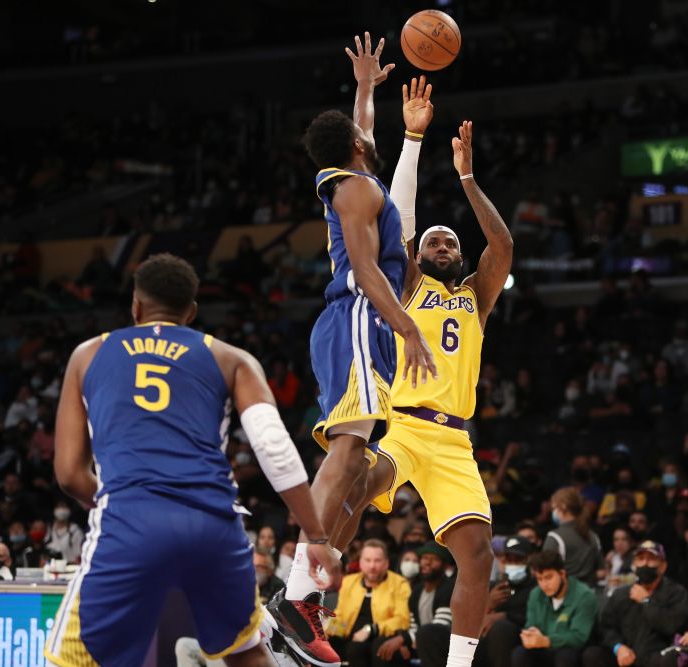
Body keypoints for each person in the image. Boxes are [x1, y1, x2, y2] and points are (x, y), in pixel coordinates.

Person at [275, 74, 513, 667]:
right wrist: (410, 136)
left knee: (479, 554)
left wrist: (467, 178)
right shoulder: (405, 283)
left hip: (454, 439)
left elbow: (502, 246)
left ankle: (459, 664)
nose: (438, 244)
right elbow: (391, 212)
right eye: (429, 240)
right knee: (354, 479)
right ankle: (306, 600)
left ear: (457, 255)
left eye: (447, 241)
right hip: (404, 425)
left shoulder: (475, 297)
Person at [43, 253, 339, 667]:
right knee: (245, 651)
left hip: (129, 521)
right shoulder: (230, 358)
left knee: (72, 658)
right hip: (213, 526)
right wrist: (317, 538)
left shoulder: (89, 354)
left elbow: (70, 476)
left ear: (136, 305)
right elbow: (275, 450)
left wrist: (133, 507)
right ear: (192, 312)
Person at [271, 32, 436, 665]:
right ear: (360, 147)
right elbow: (369, 272)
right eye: (366, 132)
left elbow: (360, 136)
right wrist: (408, 327)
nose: (372, 135)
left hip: (352, 322)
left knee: (357, 451)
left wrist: (366, 90)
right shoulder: (359, 189)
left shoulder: (347, 178)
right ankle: (294, 592)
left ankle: (301, 597)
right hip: (365, 316)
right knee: (348, 443)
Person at [582, 540, 688, 667]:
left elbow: (672, 625)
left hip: (658, 657)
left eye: (651, 559)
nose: (645, 564)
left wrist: (646, 601)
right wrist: (618, 647)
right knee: (593, 654)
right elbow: (605, 627)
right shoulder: (621, 594)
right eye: (641, 559)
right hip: (625, 656)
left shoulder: (676, 593)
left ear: (663, 566)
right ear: (634, 564)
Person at [324, 540, 411, 667]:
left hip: (381, 638)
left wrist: (371, 629)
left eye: (377, 560)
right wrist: (328, 628)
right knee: (325, 644)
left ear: (386, 563)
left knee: (362, 649)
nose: (372, 566)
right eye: (368, 560)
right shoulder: (348, 582)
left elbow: (402, 620)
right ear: (360, 562)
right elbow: (342, 618)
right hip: (350, 638)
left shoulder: (400, 584)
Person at [513, 551, 598, 667]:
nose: (544, 584)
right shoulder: (536, 593)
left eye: (548, 577)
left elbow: (578, 638)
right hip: (543, 647)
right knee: (520, 653)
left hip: (573, 650)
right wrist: (530, 635)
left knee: (565, 656)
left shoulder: (584, 596)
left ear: (562, 574)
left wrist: (547, 641)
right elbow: (530, 624)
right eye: (540, 579)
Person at [479, 536, 539, 667]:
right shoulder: (494, 587)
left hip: (521, 635)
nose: (512, 564)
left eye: (518, 560)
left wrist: (505, 616)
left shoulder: (537, 588)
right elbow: (478, 620)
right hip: (491, 639)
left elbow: (535, 620)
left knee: (501, 627)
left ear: (529, 559)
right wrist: (489, 604)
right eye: (508, 560)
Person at [400, 541, 457, 667]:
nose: (427, 562)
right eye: (425, 558)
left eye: (434, 559)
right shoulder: (417, 590)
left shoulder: (450, 587)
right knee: (391, 647)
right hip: (422, 639)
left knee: (427, 634)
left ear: (445, 565)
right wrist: (404, 641)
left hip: (447, 641)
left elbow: (440, 625)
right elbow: (413, 625)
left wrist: (404, 639)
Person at [544, 487, 602, 586]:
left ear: (563, 506)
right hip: (590, 594)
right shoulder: (593, 536)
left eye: (554, 508)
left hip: (566, 596)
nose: (553, 512)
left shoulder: (555, 537)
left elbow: (546, 573)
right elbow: (602, 572)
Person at [47, 499, 85, 564]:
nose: (61, 510)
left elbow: (79, 558)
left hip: (69, 569)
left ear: (69, 510)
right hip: (50, 568)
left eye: (64, 506)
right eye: (58, 506)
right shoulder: (49, 528)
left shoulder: (75, 531)